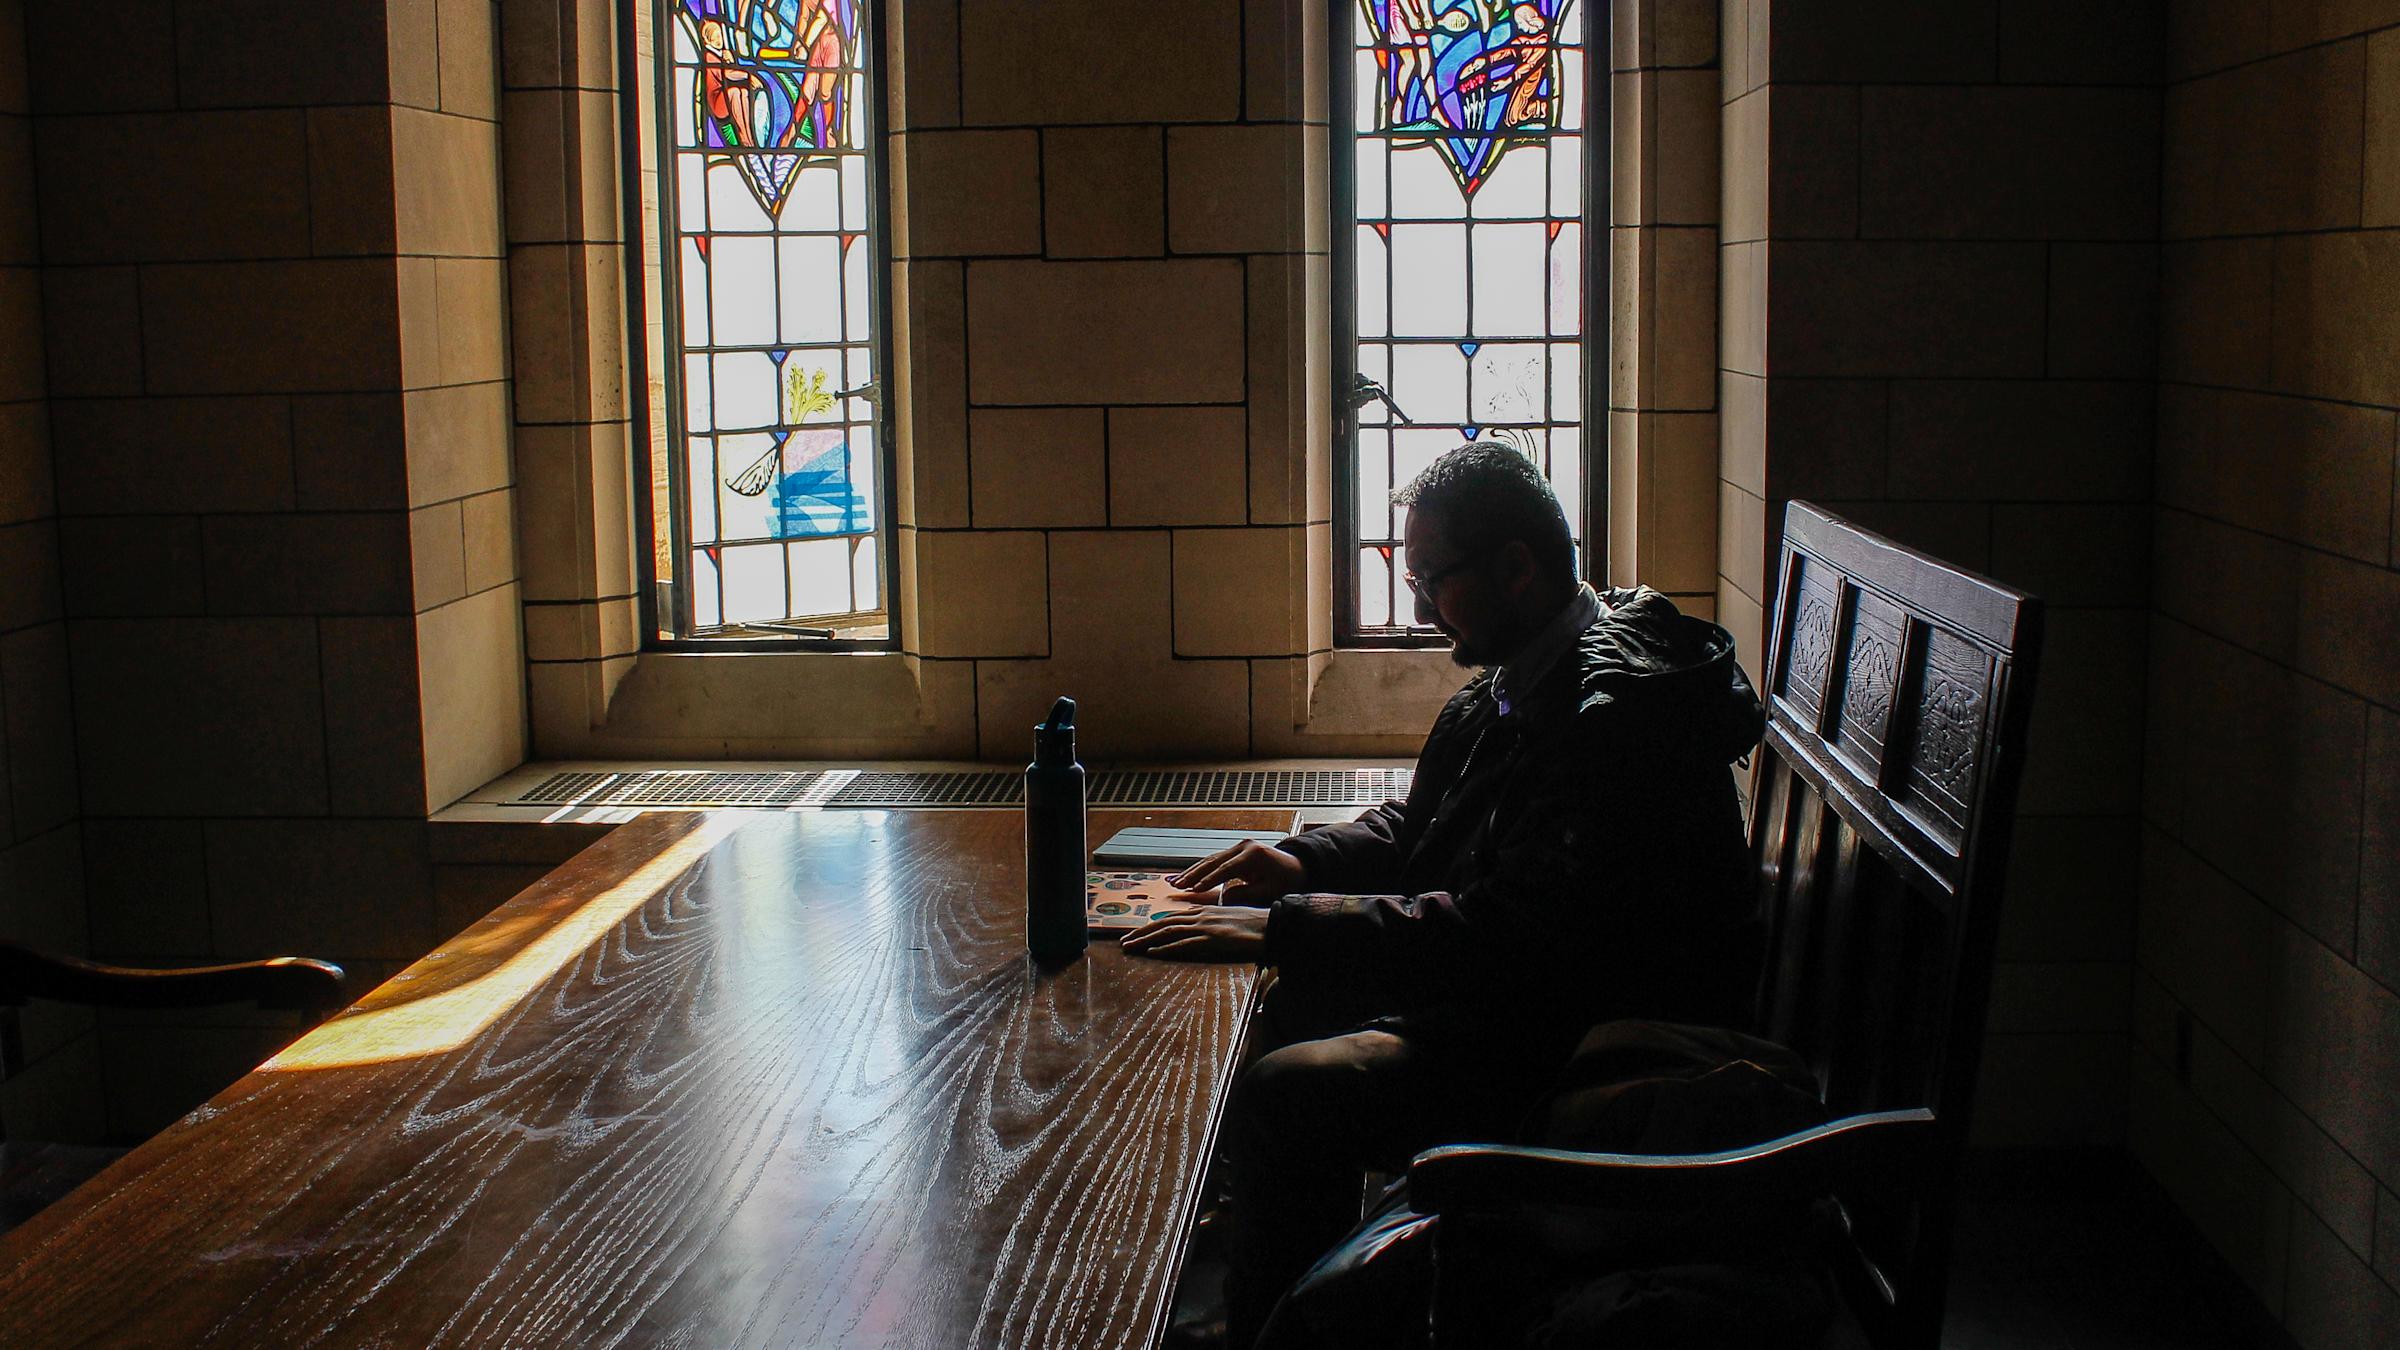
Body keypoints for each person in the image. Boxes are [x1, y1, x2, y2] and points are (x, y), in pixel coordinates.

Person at [1122, 442, 1766, 1347]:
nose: (1419, 609)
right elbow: (1432, 825)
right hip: (1543, 1004)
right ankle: (1279, 1289)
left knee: (1290, 1087)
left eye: (1432, 580)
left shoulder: (1607, 722)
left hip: (1597, 1057)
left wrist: (1286, 928)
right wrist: (1302, 864)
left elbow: (1510, 939)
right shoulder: (1536, 667)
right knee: (1295, 1000)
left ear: (1515, 568)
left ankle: (1269, 1327)